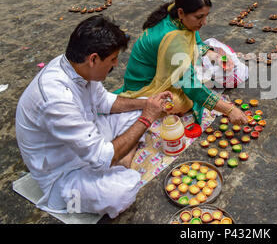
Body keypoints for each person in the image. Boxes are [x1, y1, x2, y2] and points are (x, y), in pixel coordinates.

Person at [15, 15, 173, 218]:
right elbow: (101, 158)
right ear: (93, 59)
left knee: (139, 106)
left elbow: (105, 102)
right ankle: (121, 161)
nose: (116, 64)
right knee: (121, 193)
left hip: (87, 136)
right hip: (63, 173)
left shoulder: (77, 67)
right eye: (113, 59)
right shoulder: (56, 98)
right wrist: (147, 118)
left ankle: (122, 158)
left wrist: (147, 105)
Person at [116, 0, 248, 126]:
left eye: (206, 16)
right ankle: (141, 105)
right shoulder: (173, 39)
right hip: (143, 86)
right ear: (181, 12)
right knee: (183, 102)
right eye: (199, 17)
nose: (204, 22)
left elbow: (195, 42)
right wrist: (229, 109)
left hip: (164, 72)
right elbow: (189, 85)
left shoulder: (177, 16)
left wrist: (215, 56)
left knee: (199, 73)